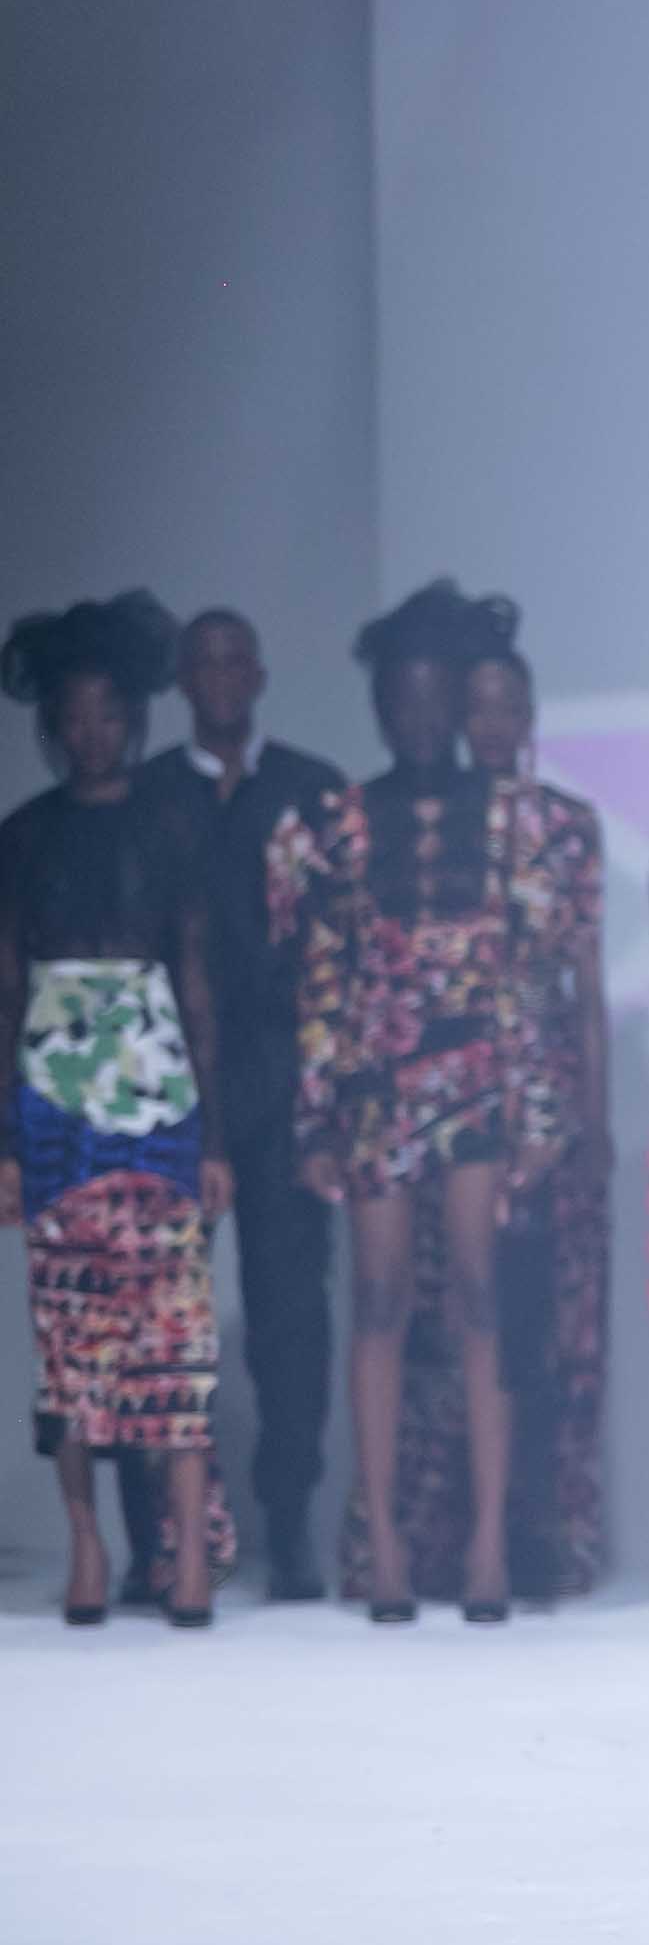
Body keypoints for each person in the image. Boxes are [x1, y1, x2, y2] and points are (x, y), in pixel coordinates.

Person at [274, 581, 580, 1623]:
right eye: (396, 699)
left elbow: (529, 980)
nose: (414, 716)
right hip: (374, 1086)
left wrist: (538, 1115)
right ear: (379, 706)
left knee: (481, 1300)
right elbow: (322, 980)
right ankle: (389, 1547)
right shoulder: (340, 822)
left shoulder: (516, 820)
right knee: (378, 1301)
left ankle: (488, 1542)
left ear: (455, 700)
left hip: (482, 1078)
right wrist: (314, 1118)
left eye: (430, 697)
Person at [357, 643, 609, 1603]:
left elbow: (582, 981)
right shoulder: (420, 823)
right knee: (416, 1314)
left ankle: (528, 1538)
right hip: (429, 1081)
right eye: (478, 707)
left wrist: (591, 1114)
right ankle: (419, 1539)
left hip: (533, 1094)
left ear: (532, 713)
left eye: (509, 707)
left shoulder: (560, 823)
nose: (492, 726)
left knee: (525, 1314)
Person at [5, 593, 229, 1626]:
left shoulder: (174, 824)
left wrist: (215, 1136)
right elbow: (4, 990)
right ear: (51, 726)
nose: (92, 733)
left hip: (158, 1092)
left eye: (108, 713)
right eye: (73, 716)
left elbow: (199, 983)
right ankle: (87, 1543)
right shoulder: (21, 836)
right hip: (56, 1101)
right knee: (71, 1335)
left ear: (134, 717)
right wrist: (7, 1143)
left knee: (175, 1329)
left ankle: (186, 1553)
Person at [134, 608, 344, 1596]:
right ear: (182, 680)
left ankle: (288, 1524)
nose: (220, 676)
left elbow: (345, 949)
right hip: (167, 1079)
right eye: (203, 662)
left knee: (290, 1314)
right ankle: (160, 1538)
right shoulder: (146, 796)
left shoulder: (312, 787)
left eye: (235, 660)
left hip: (284, 1075)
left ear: (258, 674)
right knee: (156, 1317)